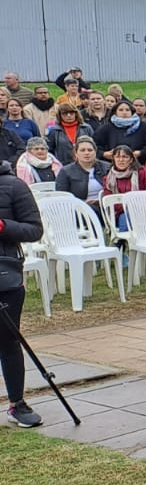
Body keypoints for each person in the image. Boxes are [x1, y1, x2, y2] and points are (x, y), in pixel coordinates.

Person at [0, 154, 44, 427]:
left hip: (5, 275)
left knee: (8, 341)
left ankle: (17, 403)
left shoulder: (14, 185)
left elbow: (34, 230)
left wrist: (3, 226)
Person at [94, 99, 146, 164]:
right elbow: (94, 144)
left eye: (127, 110)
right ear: (115, 112)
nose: (124, 112)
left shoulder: (142, 127)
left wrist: (141, 153)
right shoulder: (106, 128)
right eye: (121, 110)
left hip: (137, 164)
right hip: (111, 164)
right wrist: (104, 154)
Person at [54, 138, 108, 206]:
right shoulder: (65, 171)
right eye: (82, 150)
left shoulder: (107, 167)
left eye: (90, 150)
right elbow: (62, 196)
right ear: (76, 153)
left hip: (105, 204)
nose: (87, 153)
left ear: (95, 152)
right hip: (79, 207)